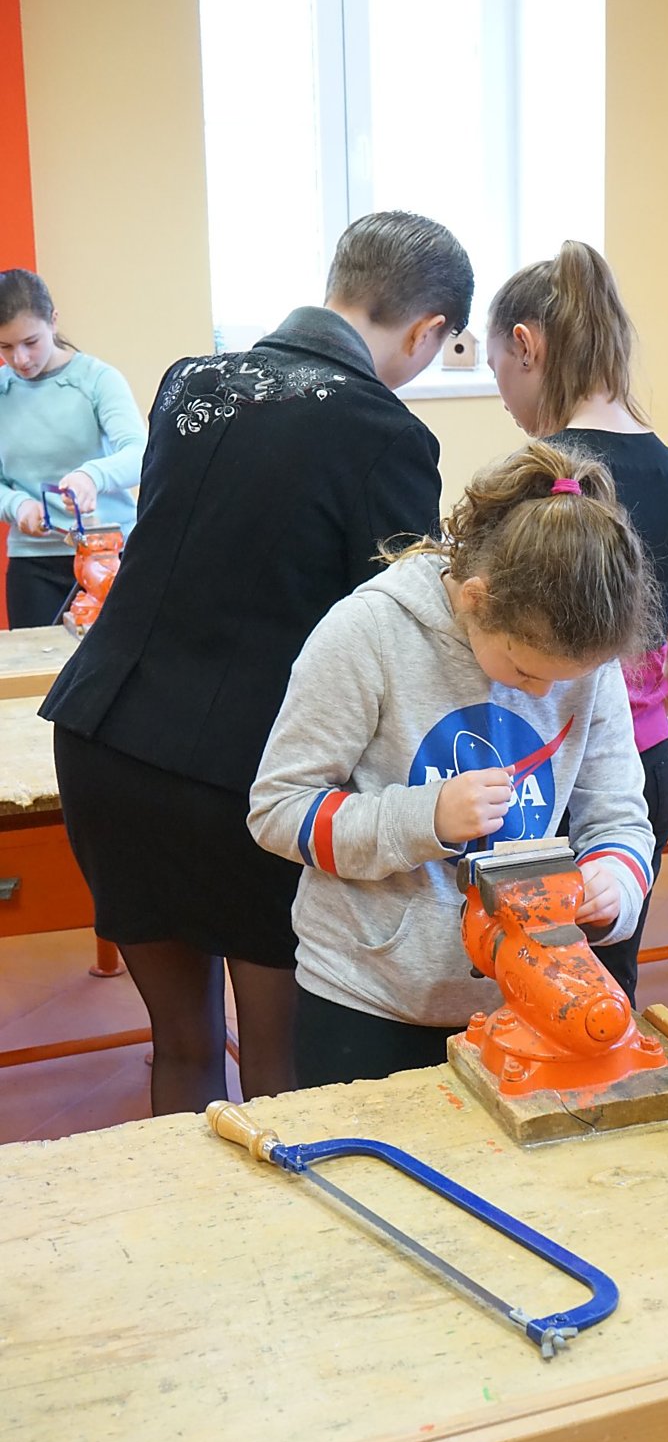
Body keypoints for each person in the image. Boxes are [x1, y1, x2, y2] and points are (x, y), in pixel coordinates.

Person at [40, 211, 473, 1115]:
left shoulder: (188, 380)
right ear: (429, 330)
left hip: (104, 738)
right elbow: (398, 628)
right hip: (249, 777)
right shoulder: (385, 432)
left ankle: (196, 1210)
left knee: (184, 1047)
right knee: (284, 1068)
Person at [248, 441, 657, 1087]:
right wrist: (426, 817)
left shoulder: (584, 657)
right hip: (371, 997)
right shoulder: (368, 633)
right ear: (474, 598)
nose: (545, 694)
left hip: (526, 1000)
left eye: (567, 679)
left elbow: (620, 818)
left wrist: (616, 882)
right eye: (524, 669)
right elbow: (278, 811)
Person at [487, 241, 668, 1006]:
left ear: (527, 347)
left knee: (527, 986)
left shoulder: (538, 481)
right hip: (640, 774)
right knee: (606, 990)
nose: (505, 400)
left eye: (498, 372)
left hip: (544, 776)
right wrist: (630, 720)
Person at [0, 268, 145, 628]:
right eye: (5, 347)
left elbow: (140, 453)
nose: (20, 359)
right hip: (33, 564)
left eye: (31, 342)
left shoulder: (97, 379)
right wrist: (16, 505)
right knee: (39, 662)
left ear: (53, 321)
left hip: (110, 555)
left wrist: (91, 476)